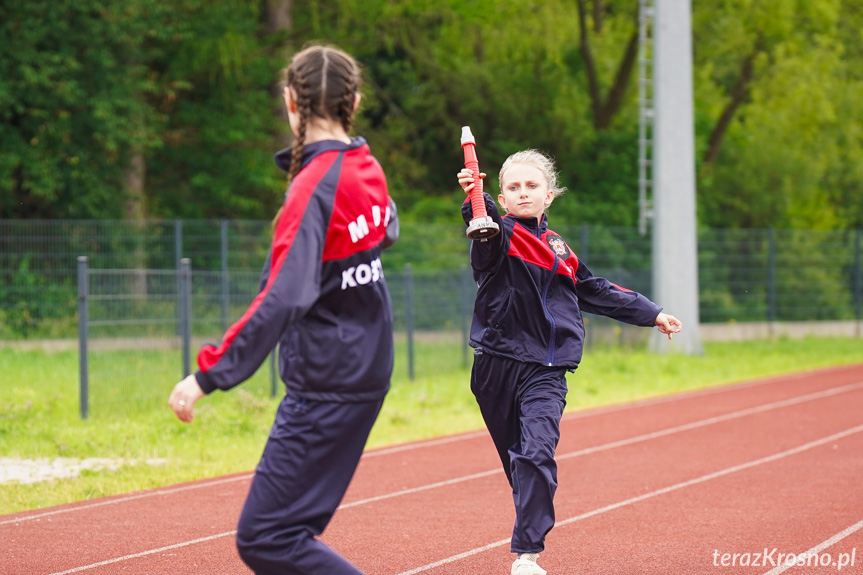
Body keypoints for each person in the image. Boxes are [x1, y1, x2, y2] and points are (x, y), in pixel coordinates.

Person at [169, 44, 398, 575]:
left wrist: (209, 375)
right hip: (364, 368)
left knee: (268, 537)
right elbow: (386, 228)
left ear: (290, 102)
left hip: (330, 379)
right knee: (289, 531)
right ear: (355, 101)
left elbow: (283, 297)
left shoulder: (312, 187)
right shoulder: (365, 164)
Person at [457, 149, 682, 575]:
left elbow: (594, 289)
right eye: (513, 188)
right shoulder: (496, 235)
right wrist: (475, 199)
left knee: (536, 454)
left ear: (549, 195)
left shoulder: (559, 247)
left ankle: (527, 556)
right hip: (495, 366)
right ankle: (529, 521)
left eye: (532, 186)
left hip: (546, 369)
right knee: (518, 464)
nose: (523, 194)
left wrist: (651, 313)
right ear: (502, 198)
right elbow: (481, 235)